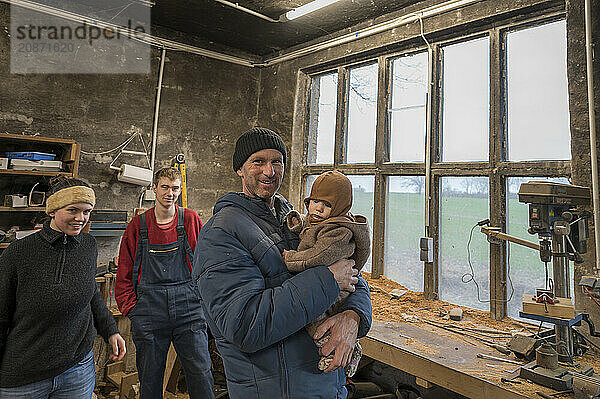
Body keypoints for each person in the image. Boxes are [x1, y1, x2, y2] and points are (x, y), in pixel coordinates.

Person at [193, 127, 372, 399]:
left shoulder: (295, 221)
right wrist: (327, 281)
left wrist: (354, 316)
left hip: (326, 387)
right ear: (240, 169)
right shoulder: (221, 233)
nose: (269, 171)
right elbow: (244, 325)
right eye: (258, 162)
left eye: (277, 161)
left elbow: (350, 271)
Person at [0, 176, 126, 398]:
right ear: (52, 210)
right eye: (73, 210)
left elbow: (91, 295)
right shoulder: (18, 253)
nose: (81, 218)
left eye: (87, 212)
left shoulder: (88, 246)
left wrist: (110, 330)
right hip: (24, 374)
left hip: (76, 369)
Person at [116, 167, 214, 399]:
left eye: (175, 188)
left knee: (201, 373)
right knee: (150, 378)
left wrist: (204, 302)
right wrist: (132, 309)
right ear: (154, 189)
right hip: (149, 311)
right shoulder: (138, 225)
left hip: (188, 310)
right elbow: (124, 271)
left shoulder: (190, 219)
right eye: (165, 187)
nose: (170, 193)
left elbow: (206, 263)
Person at [282, 170, 370, 377]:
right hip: (325, 282)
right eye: (315, 201)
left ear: (340, 208)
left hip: (336, 289)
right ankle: (348, 349)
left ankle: (336, 352)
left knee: (315, 320)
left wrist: (290, 259)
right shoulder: (325, 223)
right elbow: (312, 231)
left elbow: (318, 255)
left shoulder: (339, 231)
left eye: (327, 205)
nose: (318, 208)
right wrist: (299, 223)